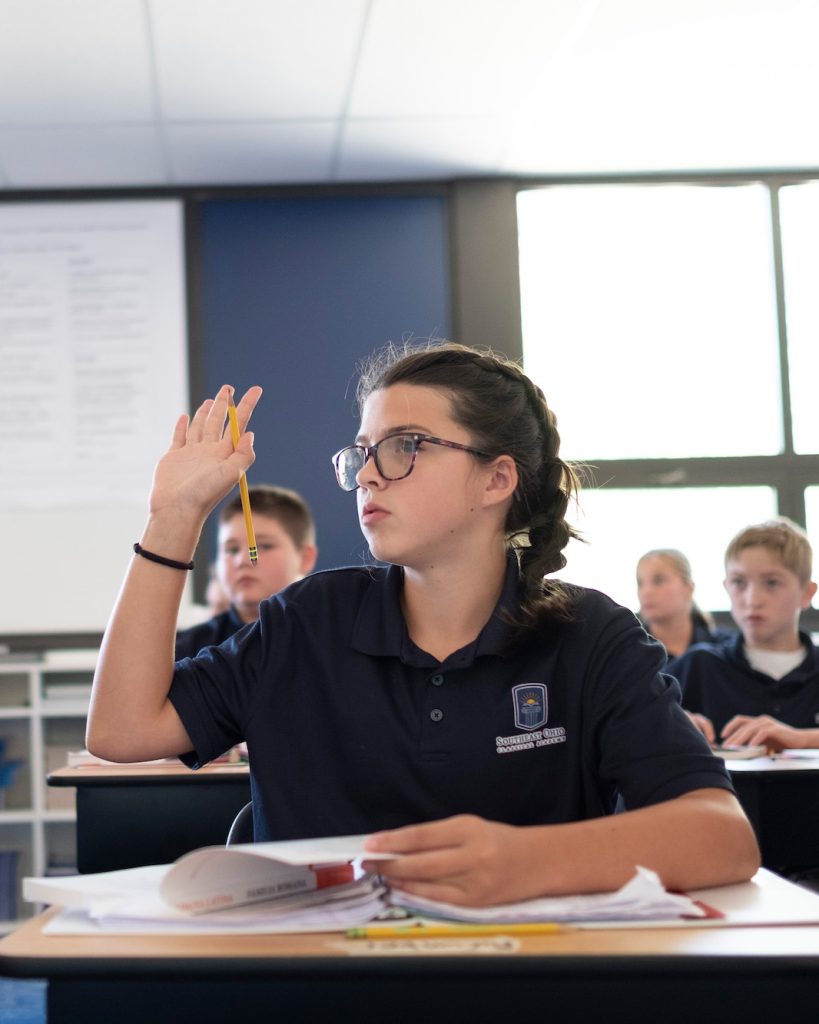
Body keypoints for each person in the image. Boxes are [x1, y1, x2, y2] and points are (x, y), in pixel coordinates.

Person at [87, 341, 758, 906]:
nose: (368, 476)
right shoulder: (308, 621)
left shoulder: (589, 637)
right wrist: (173, 518)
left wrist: (523, 861)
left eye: (405, 446)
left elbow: (721, 837)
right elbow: (121, 730)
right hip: (314, 990)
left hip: (518, 989)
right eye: (362, 451)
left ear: (497, 479)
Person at [670, 517, 819, 751]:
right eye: (739, 582)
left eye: (771, 583)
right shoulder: (698, 666)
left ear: (807, 593)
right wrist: (667, 722)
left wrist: (804, 739)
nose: (752, 600)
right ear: (726, 587)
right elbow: (626, 724)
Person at [174, 485, 317, 660]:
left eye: (264, 546)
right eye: (231, 549)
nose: (242, 560)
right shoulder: (186, 651)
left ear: (305, 558)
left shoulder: (328, 636)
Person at [636, 548, 727, 661]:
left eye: (658, 580)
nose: (646, 592)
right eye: (640, 583)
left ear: (688, 588)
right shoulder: (631, 653)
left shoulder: (723, 650)